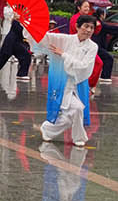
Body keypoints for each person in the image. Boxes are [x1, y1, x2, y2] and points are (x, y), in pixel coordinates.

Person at [35, 14, 99, 147]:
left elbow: (85, 66)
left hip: (79, 84)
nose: (88, 30)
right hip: (62, 82)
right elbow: (44, 38)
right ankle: (78, 137)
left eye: (91, 28)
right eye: (86, 26)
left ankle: (48, 129)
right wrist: (24, 23)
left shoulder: (93, 46)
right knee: (76, 109)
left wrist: (63, 55)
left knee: (75, 111)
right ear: (77, 26)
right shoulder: (65, 40)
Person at [0, 0, 32, 81]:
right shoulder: (16, 18)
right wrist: (16, 18)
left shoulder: (26, 18)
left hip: (18, 40)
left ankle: (22, 74)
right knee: (4, 55)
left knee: (26, 55)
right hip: (11, 39)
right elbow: (13, 23)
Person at [68, 1, 108, 87]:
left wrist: (97, 25)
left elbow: (96, 32)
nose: (87, 8)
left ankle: (89, 84)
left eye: (88, 7)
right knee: (94, 64)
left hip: (87, 45)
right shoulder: (75, 18)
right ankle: (86, 84)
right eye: (85, 6)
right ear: (79, 8)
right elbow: (77, 32)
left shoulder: (89, 18)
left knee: (97, 64)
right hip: (77, 45)